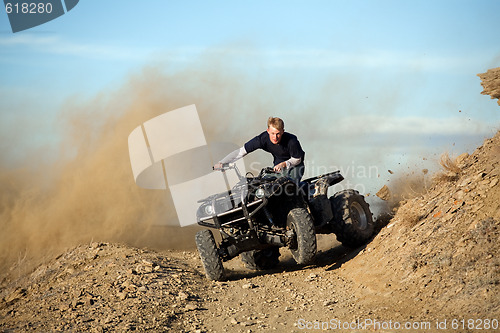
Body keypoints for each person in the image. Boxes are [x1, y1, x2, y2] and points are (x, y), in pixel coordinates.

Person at [214, 117, 305, 182]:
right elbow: (241, 152)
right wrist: (222, 162)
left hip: (296, 166)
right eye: (272, 133)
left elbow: (297, 159)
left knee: (289, 186)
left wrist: (284, 164)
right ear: (268, 131)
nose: (275, 137)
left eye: (278, 134)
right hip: (277, 166)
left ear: (282, 132)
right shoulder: (261, 139)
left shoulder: (292, 141)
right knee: (265, 184)